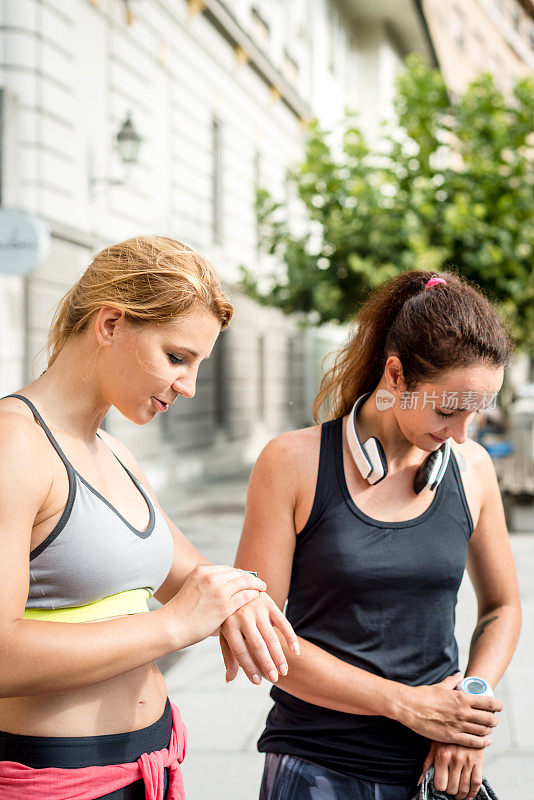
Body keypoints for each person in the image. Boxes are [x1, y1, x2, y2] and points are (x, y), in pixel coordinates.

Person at [0, 236, 298, 800]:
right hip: (57, 780)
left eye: (197, 365)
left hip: (150, 766)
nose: (187, 386)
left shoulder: (116, 453)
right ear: (110, 324)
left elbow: (193, 579)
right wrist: (172, 626)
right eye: (177, 357)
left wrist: (247, 602)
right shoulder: (13, 443)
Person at [220, 270, 522, 800]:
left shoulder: (472, 469)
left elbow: (503, 607)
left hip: (435, 769)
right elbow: (260, 639)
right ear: (396, 375)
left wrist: (469, 709)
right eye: (448, 410)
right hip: (317, 765)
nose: (461, 435)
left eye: (477, 413)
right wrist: (404, 703)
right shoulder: (291, 462)